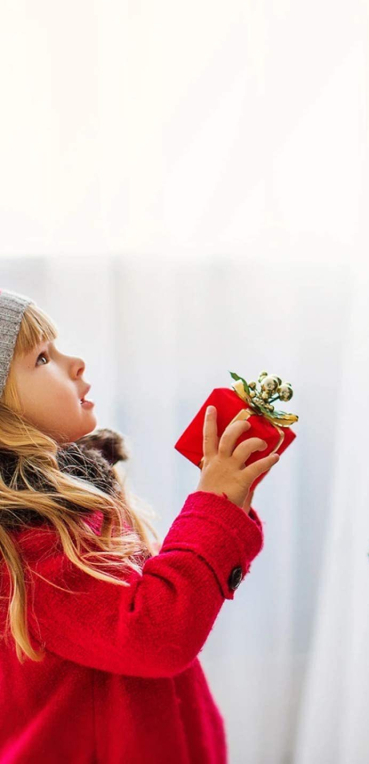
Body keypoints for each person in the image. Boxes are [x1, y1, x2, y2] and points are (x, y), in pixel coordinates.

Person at [0, 288, 280, 763]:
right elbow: (153, 633)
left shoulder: (70, 505)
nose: (77, 363)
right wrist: (212, 509)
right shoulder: (27, 549)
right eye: (43, 358)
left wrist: (224, 508)